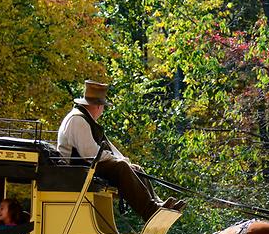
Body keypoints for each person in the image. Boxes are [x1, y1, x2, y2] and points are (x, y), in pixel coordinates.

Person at [57, 80, 184, 221]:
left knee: (134, 168)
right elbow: (90, 153)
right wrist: (120, 162)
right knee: (121, 167)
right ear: (98, 106)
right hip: (77, 170)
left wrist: (125, 161)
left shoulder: (86, 119)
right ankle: (150, 211)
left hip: (87, 166)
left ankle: (157, 204)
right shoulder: (77, 120)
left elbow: (109, 148)